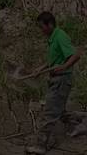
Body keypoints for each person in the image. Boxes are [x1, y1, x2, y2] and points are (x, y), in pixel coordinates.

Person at [25, 12, 81, 154]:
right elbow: (54, 60)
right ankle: (77, 125)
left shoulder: (60, 36)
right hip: (56, 80)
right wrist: (40, 68)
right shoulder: (52, 38)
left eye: (41, 26)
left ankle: (40, 145)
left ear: (49, 24)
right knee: (59, 109)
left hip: (61, 80)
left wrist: (63, 67)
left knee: (49, 112)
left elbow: (76, 55)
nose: (41, 30)